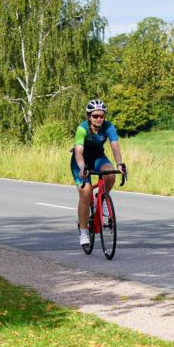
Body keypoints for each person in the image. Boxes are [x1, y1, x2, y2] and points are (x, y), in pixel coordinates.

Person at [71, 99, 126, 247]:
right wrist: (83, 168)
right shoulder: (82, 129)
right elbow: (78, 153)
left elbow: (115, 146)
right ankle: (83, 232)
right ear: (89, 116)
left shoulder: (109, 127)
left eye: (101, 116)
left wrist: (120, 164)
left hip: (98, 158)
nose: (99, 119)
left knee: (110, 173)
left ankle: (101, 199)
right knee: (85, 192)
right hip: (81, 162)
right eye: (95, 116)